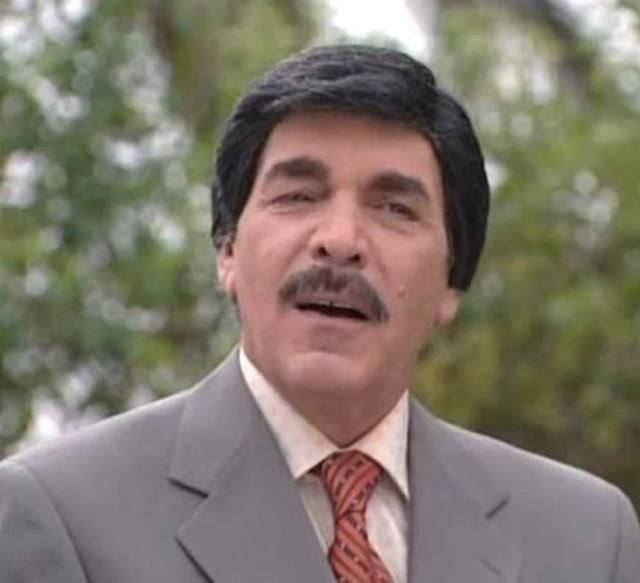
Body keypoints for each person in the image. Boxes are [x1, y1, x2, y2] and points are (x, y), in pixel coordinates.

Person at [0, 44, 638, 583]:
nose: (339, 240)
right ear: (227, 250)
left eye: (395, 208)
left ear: (451, 282)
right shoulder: (62, 515)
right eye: (298, 195)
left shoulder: (586, 537)